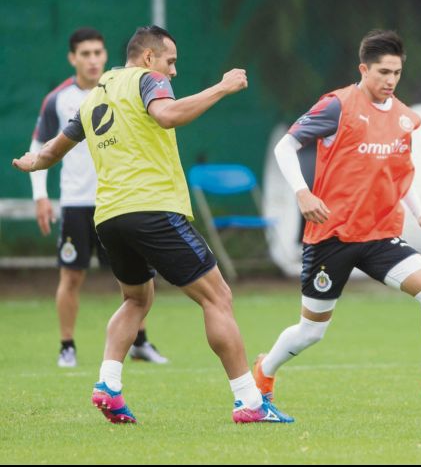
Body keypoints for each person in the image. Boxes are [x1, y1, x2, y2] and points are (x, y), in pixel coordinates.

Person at [12, 25, 292, 424]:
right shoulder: (149, 80)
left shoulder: (95, 96)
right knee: (217, 297)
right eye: (170, 61)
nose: (173, 71)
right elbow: (167, 115)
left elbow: (52, 151)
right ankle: (249, 401)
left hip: (109, 217)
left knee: (137, 300)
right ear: (148, 58)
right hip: (153, 210)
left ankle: (108, 385)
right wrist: (222, 87)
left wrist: (30, 162)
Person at [253, 29, 421, 410]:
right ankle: (266, 369)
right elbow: (286, 146)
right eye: (382, 73)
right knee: (311, 332)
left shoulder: (405, 118)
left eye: (396, 73)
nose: (390, 81)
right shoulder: (337, 106)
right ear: (363, 69)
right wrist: (302, 192)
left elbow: (401, 175)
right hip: (332, 237)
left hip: (379, 236)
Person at [29, 27, 167, 368]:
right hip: (76, 203)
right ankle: (67, 347)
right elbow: (40, 146)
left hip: (119, 200)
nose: (92, 60)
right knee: (71, 276)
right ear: (72, 58)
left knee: (136, 276)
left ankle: (140, 343)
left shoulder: (123, 87)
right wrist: (40, 196)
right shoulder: (59, 99)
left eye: (97, 53)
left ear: (106, 55)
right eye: (85, 54)